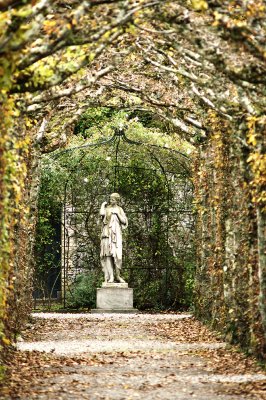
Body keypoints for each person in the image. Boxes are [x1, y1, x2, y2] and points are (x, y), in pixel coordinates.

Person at [99, 193, 128, 283]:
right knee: (108, 255)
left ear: (117, 200)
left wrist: (117, 214)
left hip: (116, 235)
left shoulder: (120, 209)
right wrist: (102, 205)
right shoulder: (107, 209)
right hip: (107, 234)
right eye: (110, 199)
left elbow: (124, 221)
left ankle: (118, 276)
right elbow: (102, 214)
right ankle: (111, 276)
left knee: (118, 256)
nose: (111, 201)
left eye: (113, 199)